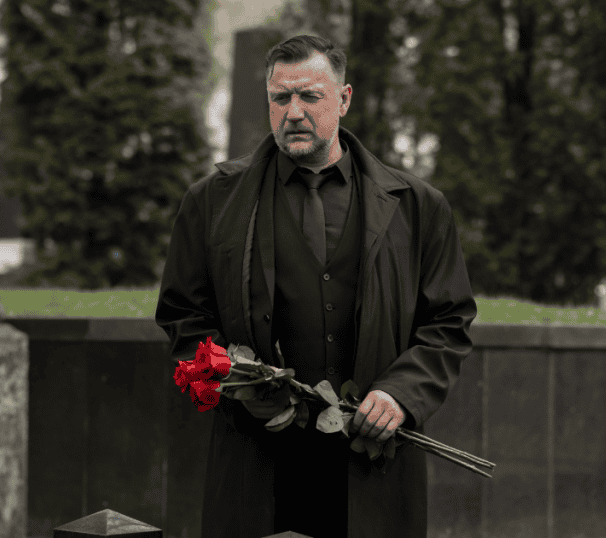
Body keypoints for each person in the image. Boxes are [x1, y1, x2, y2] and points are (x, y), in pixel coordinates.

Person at [155, 34, 477, 538]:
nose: (294, 112)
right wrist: (237, 382)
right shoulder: (211, 201)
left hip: (372, 459)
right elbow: (182, 315)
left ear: (343, 99)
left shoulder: (418, 206)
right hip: (256, 459)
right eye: (281, 98)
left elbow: (448, 321)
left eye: (310, 96)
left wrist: (401, 394)